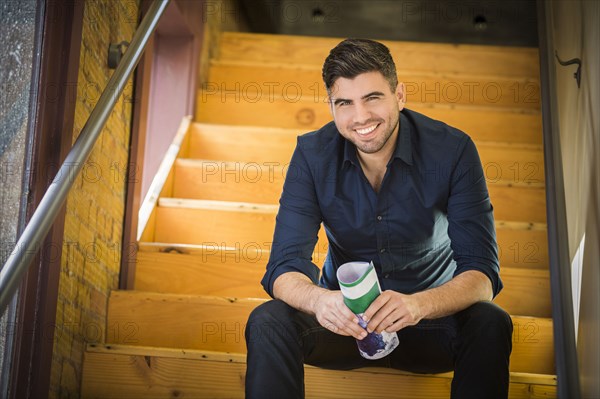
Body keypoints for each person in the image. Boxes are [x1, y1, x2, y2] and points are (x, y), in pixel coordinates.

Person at [245, 38, 513, 399]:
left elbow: (481, 273)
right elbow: (283, 266)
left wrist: (419, 304)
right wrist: (321, 302)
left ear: (399, 95)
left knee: (492, 322)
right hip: (345, 326)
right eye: (345, 103)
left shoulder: (453, 150)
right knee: (267, 321)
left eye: (372, 98)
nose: (360, 117)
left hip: (430, 323)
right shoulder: (311, 155)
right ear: (331, 106)